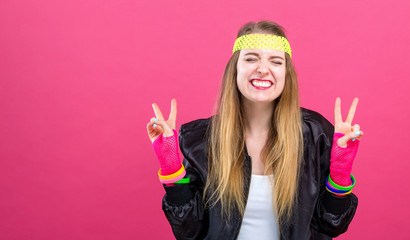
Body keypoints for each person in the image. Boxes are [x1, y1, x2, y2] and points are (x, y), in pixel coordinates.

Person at [146, 20, 363, 240]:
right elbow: (190, 231)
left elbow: (331, 226)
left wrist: (341, 173)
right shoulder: (201, 139)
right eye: (251, 58)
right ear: (235, 69)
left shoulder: (316, 134)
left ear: (286, 74)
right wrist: (171, 169)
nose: (262, 68)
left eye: (275, 61)